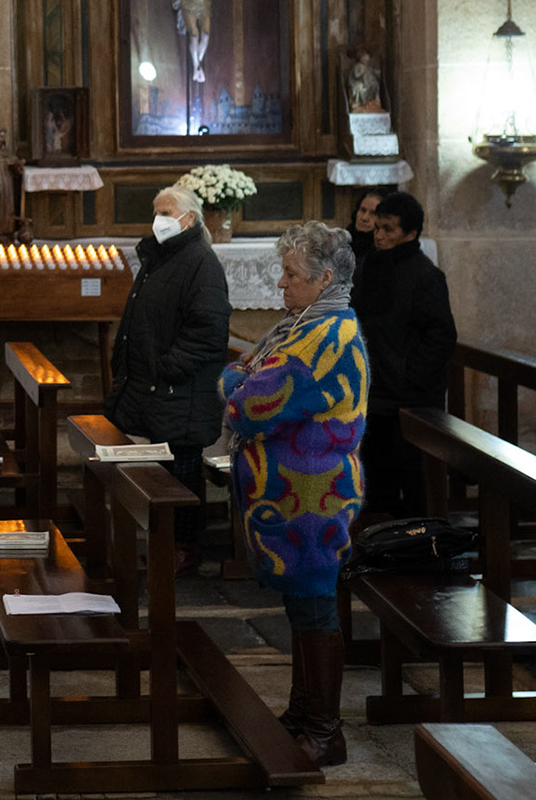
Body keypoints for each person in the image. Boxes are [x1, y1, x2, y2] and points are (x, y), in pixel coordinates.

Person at [222, 221, 368, 767]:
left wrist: (238, 385)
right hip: (293, 492)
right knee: (301, 604)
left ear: (324, 278)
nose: (281, 283)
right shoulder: (303, 325)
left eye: (291, 274)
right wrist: (241, 380)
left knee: (314, 604)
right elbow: (244, 375)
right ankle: (303, 714)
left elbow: (249, 402)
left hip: (312, 495)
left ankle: (326, 732)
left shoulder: (327, 337)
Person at [106, 184, 233, 574]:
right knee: (167, 470)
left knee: (183, 471)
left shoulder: (200, 262)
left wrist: (167, 368)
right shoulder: (161, 257)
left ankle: (184, 549)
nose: (158, 220)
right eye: (156, 213)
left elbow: (208, 331)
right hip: (161, 388)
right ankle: (167, 544)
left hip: (181, 390)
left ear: (189, 219)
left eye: (165, 213)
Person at [349, 191, 457, 520]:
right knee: (377, 484)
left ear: (410, 234)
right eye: (377, 228)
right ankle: (382, 541)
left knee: (413, 485)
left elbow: (441, 336)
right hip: (375, 394)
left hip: (410, 400)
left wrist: (409, 375)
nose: (379, 236)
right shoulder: (368, 265)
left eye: (388, 230)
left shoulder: (426, 276)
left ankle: (418, 543)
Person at [346, 187, 389, 277]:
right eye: (363, 210)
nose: (364, 218)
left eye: (373, 213)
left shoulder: (383, 250)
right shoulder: (342, 241)